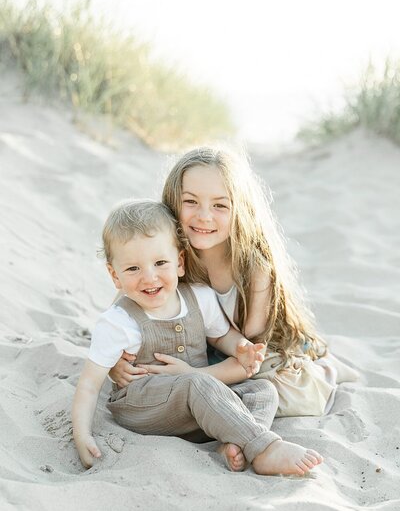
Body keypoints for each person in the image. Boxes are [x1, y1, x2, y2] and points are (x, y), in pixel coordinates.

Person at [72, 198, 323, 476]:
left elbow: (222, 336)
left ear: (179, 263)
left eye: (160, 263)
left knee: (261, 390)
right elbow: (88, 385)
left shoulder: (199, 297)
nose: (149, 277)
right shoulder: (119, 321)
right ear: (114, 275)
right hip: (144, 407)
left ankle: (234, 442)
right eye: (133, 269)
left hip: (197, 407)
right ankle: (263, 449)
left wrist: (240, 348)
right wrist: (82, 435)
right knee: (196, 382)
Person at [110, 146, 358, 417]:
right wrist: (116, 364)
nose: (204, 216)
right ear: (172, 202)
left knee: (288, 396)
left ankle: (327, 368)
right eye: (190, 201)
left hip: (250, 350)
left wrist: (196, 374)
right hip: (191, 348)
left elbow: (251, 349)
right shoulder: (164, 256)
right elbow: (123, 310)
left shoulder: (254, 265)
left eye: (220, 205)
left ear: (239, 209)